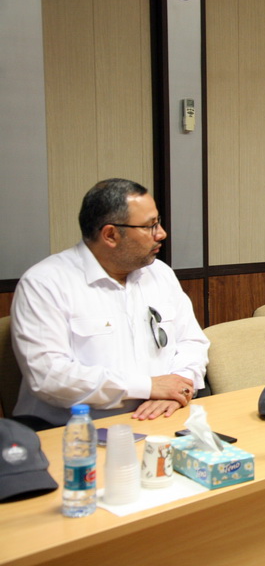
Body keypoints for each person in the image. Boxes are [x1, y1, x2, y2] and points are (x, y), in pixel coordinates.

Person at [10, 179, 209, 430]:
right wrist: (148, 387)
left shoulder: (160, 274)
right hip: (74, 431)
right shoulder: (46, 283)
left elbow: (192, 342)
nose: (161, 234)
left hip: (163, 417)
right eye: (150, 226)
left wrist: (179, 385)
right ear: (111, 235)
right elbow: (50, 376)